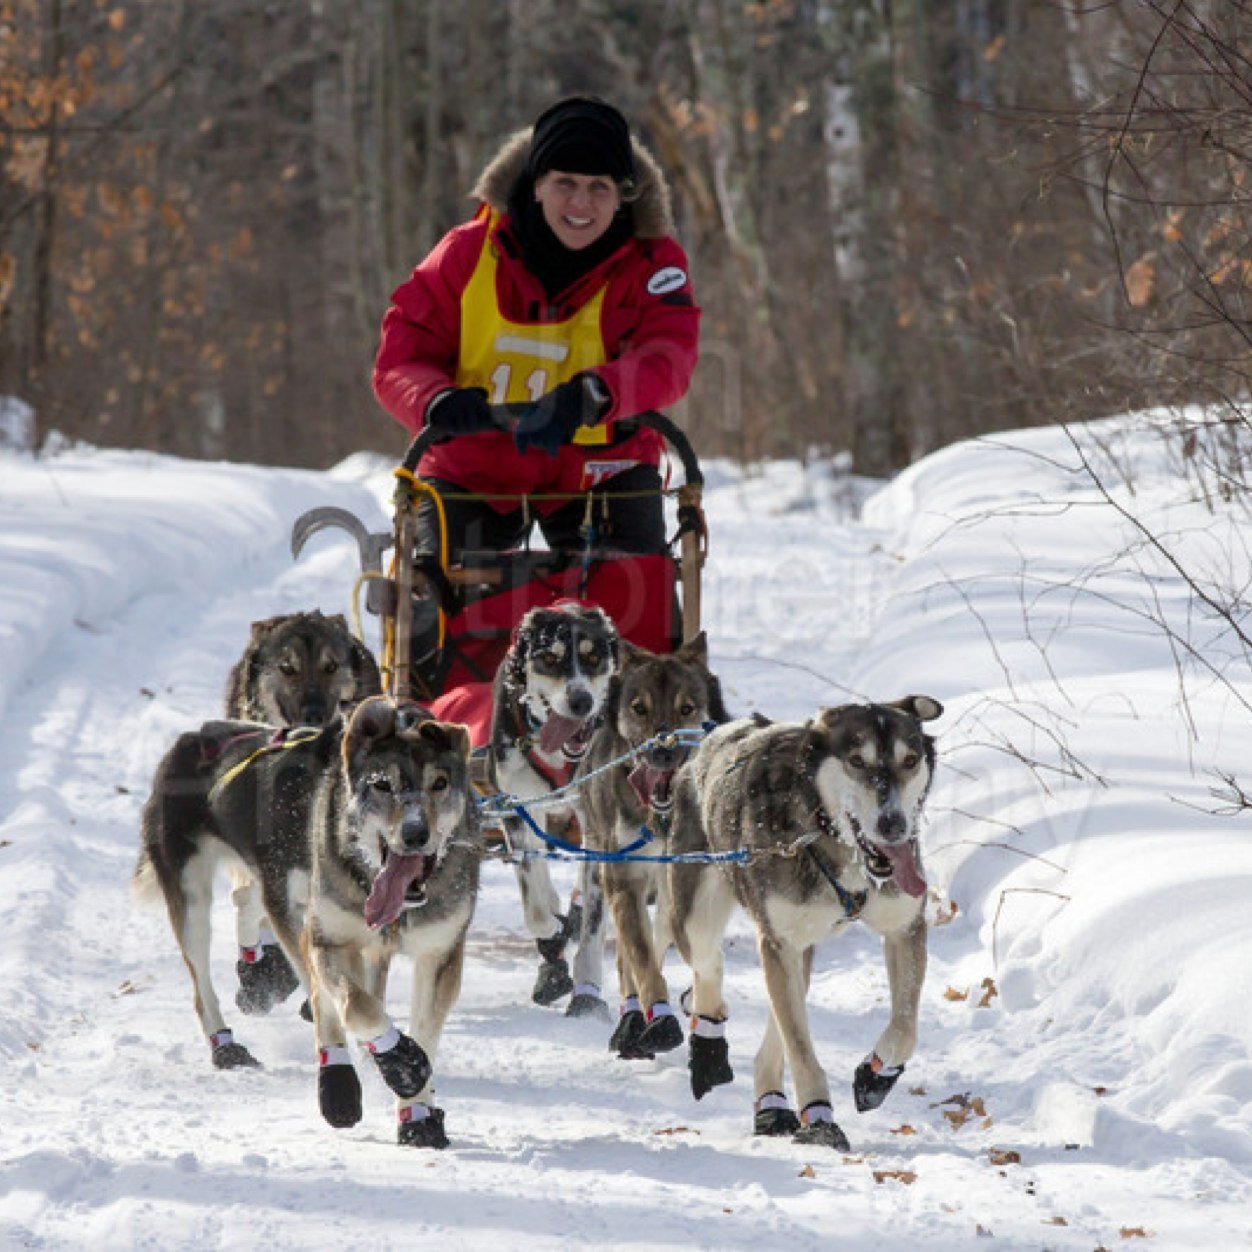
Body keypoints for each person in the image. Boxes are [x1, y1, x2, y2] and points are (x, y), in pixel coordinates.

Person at [372, 95, 700, 563]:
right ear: (536, 186)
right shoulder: (466, 254)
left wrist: (593, 395)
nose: (582, 203)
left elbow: (668, 355)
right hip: (475, 466)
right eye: (565, 183)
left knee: (638, 599)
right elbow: (402, 358)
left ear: (623, 194)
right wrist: (437, 400)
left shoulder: (653, 262)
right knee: (438, 600)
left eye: (599, 187)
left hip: (601, 468)